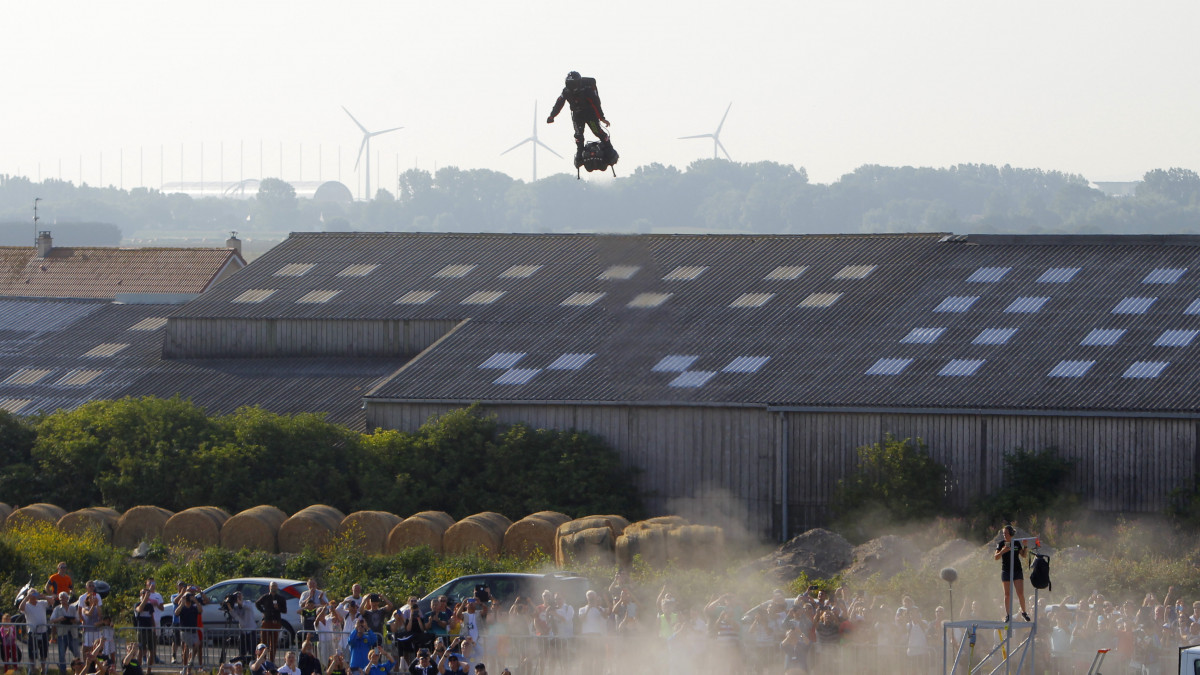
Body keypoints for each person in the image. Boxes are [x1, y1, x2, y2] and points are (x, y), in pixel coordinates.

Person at [546, 71, 612, 164]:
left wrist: (601, 117)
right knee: (578, 135)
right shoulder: (566, 91)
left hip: (590, 113)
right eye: (569, 84)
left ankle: (608, 148)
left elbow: (595, 103)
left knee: (597, 131)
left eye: (573, 83)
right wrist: (552, 116)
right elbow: (559, 103)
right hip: (577, 115)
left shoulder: (587, 90)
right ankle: (579, 152)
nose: (571, 86)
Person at [994, 525, 1031, 622]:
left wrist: (1025, 546)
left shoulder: (1016, 543)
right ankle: (1008, 615)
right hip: (1006, 570)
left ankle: (1024, 612)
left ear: (1010, 533)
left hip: (1017, 570)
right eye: (1003, 533)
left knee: (1020, 593)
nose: (1004, 535)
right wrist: (1003, 551)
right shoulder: (1001, 543)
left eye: (1006, 533)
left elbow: (1023, 555)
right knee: (1007, 594)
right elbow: (996, 557)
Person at [134, 580, 163, 673]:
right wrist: (145, 598)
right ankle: (138, 670)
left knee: (152, 650)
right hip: (141, 630)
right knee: (141, 650)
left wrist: (154, 628)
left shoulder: (150, 606)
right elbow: (139, 609)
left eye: (146, 593)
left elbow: (152, 617)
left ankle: (149, 671)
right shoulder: (137, 604)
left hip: (150, 630)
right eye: (143, 593)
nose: (145, 594)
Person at [21, 589, 52, 675]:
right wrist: (27, 597)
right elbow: (21, 608)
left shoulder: (41, 603)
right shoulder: (27, 605)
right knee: (32, 652)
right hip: (32, 632)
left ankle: (43, 668)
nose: (34, 596)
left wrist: (44, 596)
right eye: (32, 594)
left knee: (43, 652)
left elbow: (52, 602)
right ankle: (33, 669)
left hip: (43, 631)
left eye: (35, 594)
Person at [257, 582, 289, 662]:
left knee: (273, 643)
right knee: (263, 642)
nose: (273, 588)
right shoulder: (265, 597)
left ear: (277, 588)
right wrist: (263, 611)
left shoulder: (281, 598)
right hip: (266, 621)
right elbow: (257, 603)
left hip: (276, 622)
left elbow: (284, 610)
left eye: (275, 586)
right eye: (272, 586)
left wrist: (278, 608)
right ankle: (262, 661)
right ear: (269, 587)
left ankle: (272, 661)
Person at [52, 591, 81, 675]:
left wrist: (73, 620)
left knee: (76, 653)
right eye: (61, 599)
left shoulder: (72, 608)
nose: (62, 600)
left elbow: (77, 619)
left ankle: (78, 670)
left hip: (72, 633)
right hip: (62, 633)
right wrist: (60, 619)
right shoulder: (57, 609)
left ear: (67, 598)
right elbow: (52, 619)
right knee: (62, 654)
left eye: (64, 598)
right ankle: (63, 671)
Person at [175, 591, 202, 672]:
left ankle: (191, 662)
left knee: (196, 645)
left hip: (193, 631)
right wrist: (182, 603)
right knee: (186, 648)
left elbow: (200, 611)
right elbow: (176, 613)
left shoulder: (194, 608)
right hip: (185, 631)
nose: (188, 598)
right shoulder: (182, 608)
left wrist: (196, 601)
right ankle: (185, 667)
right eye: (187, 597)